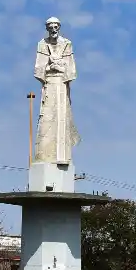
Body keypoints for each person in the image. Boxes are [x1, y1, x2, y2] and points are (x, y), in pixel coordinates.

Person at [33, 17, 80, 165]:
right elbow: (39, 68)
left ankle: (62, 155)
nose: (53, 30)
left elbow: (71, 69)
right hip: (49, 84)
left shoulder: (66, 43)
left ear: (59, 28)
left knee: (62, 118)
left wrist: (59, 67)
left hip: (61, 84)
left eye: (55, 27)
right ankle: (45, 155)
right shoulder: (42, 44)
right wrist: (50, 67)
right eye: (50, 27)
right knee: (46, 120)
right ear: (47, 29)